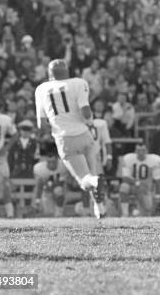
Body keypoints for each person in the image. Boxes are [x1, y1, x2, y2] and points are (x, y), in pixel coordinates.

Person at [35, 59, 107, 219]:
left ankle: (96, 186)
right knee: (92, 170)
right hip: (84, 134)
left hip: (65, 139)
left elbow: (42, 124)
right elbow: (86, 112)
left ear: (49, 74)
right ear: (67, 71)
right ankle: (100, 209)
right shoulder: (78, 82)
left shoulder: (41, 89)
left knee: (85, 180)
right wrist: (88, 123)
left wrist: (54, 128)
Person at [119, 142, 160, 217]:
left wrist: (157, 195)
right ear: (135, 151)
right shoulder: (129, 158)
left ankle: (137, 211)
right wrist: (137, 183)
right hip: (133, 186)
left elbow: (157, 179)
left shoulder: (154, 159)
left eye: (143, 150)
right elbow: (125, 178)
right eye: (138, 150)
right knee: (124, 187)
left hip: (146, 188)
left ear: (147, 151)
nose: (141, 153)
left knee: (147, 212)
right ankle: (125, 214)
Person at [33, 141, 68, 217]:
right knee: (48, 214)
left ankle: (59, 214)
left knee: (58, 191)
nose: (51, 164)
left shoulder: (63, 165)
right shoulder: (39, 168)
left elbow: (62, 182)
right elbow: (39, 186)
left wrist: (50, 184)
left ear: (57, 159)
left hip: (59, 190)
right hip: (46, 192)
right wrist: (37, 201)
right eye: (49, 162)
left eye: (53, 162)